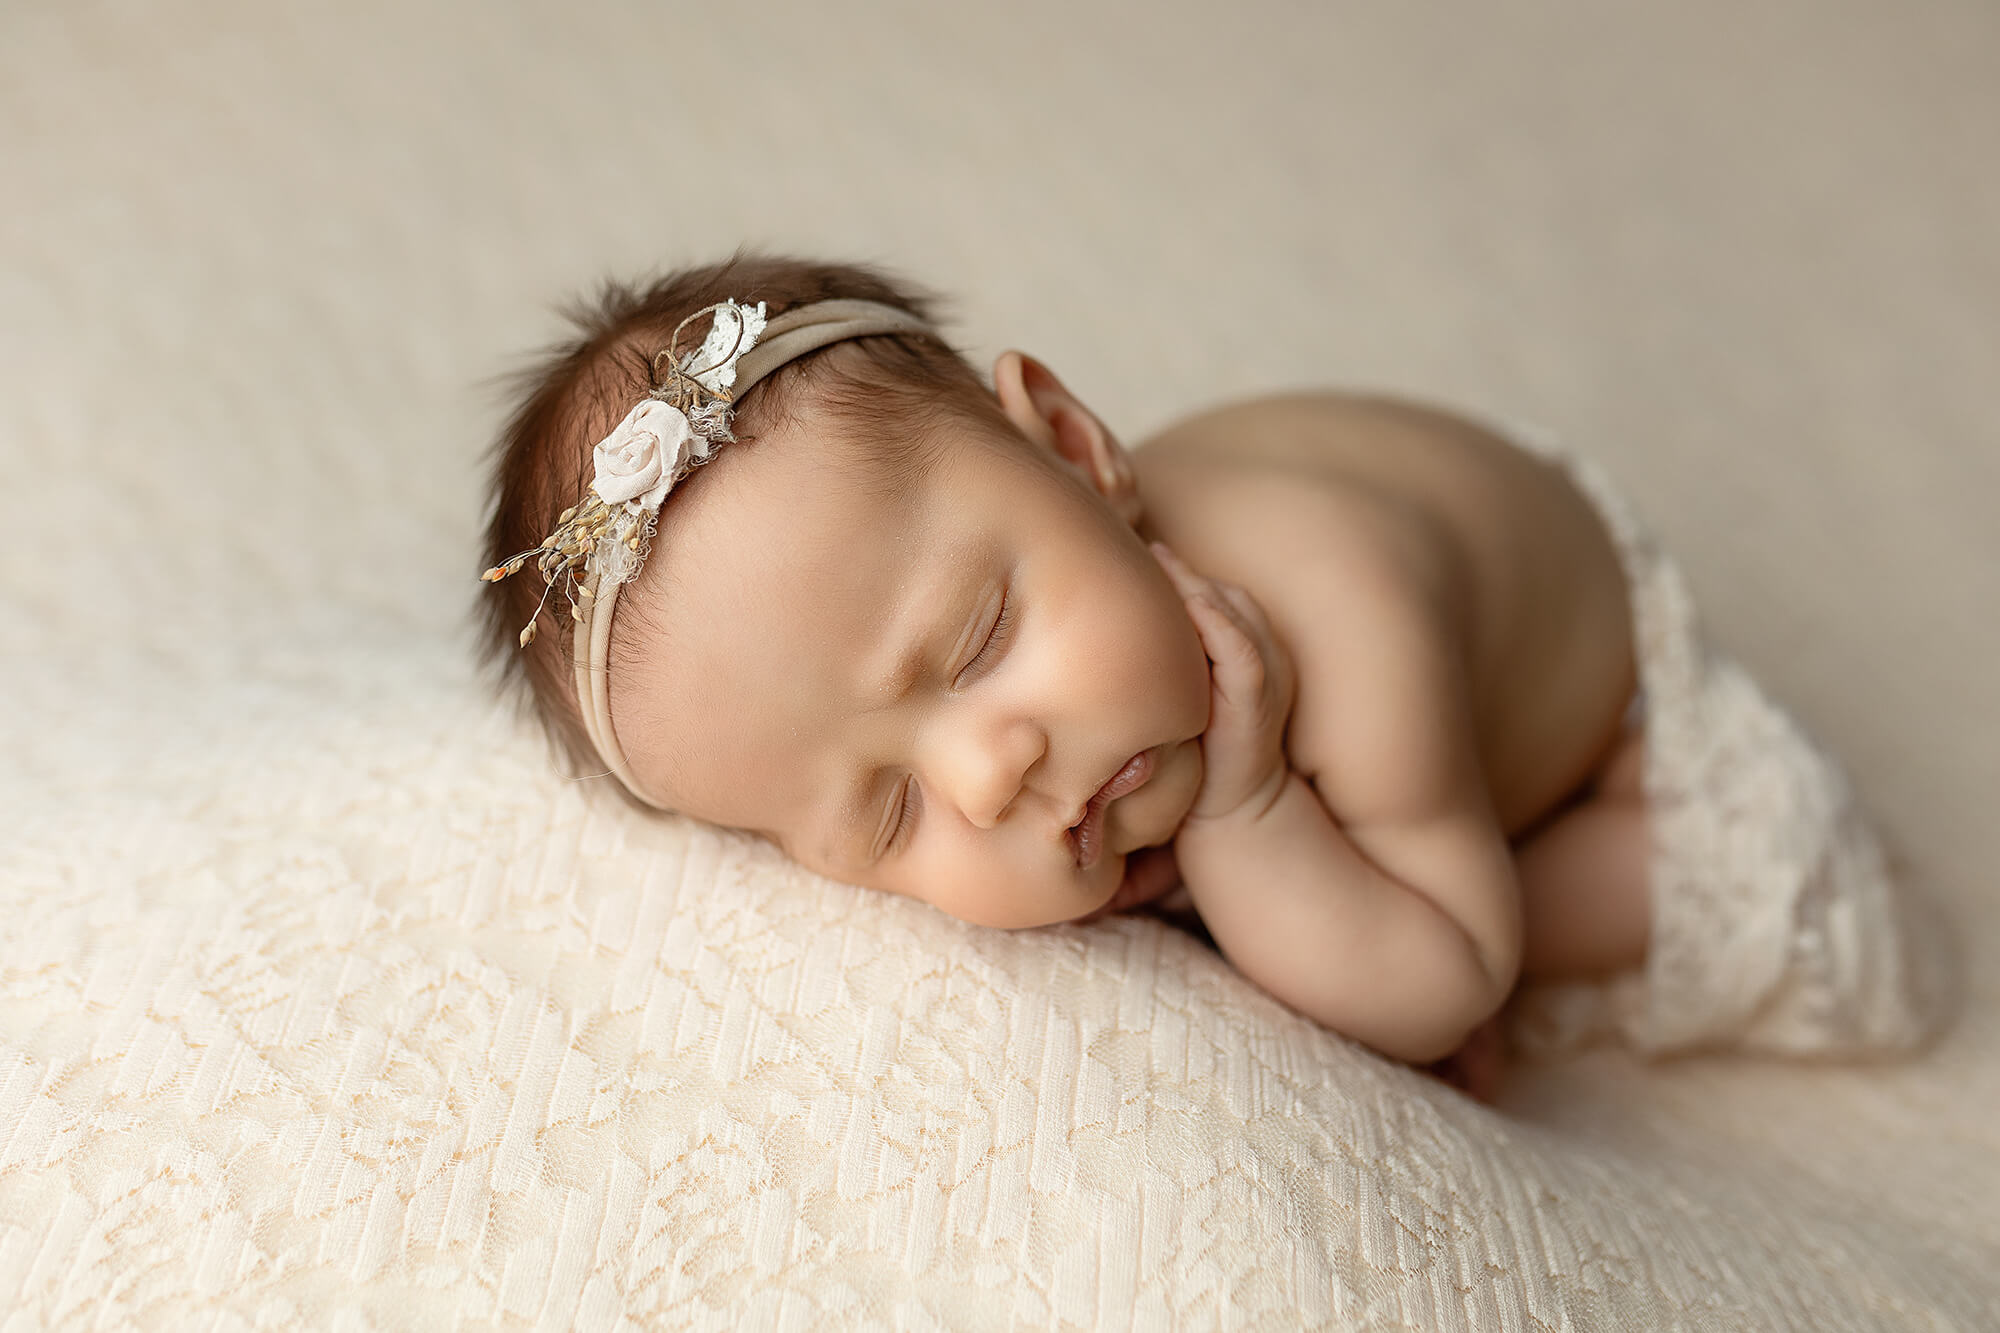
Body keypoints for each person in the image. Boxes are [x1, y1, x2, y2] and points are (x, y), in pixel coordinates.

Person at [477, 254, 1950, 1098]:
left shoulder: (1332, 603)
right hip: (1398, 706)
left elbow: (1450, 979)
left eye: (980, 641)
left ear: (1074, 448)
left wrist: (1248, 812)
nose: (987, 775)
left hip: (1579, 675)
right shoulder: (1082, 667)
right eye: (885, 812)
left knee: (1678, 888)